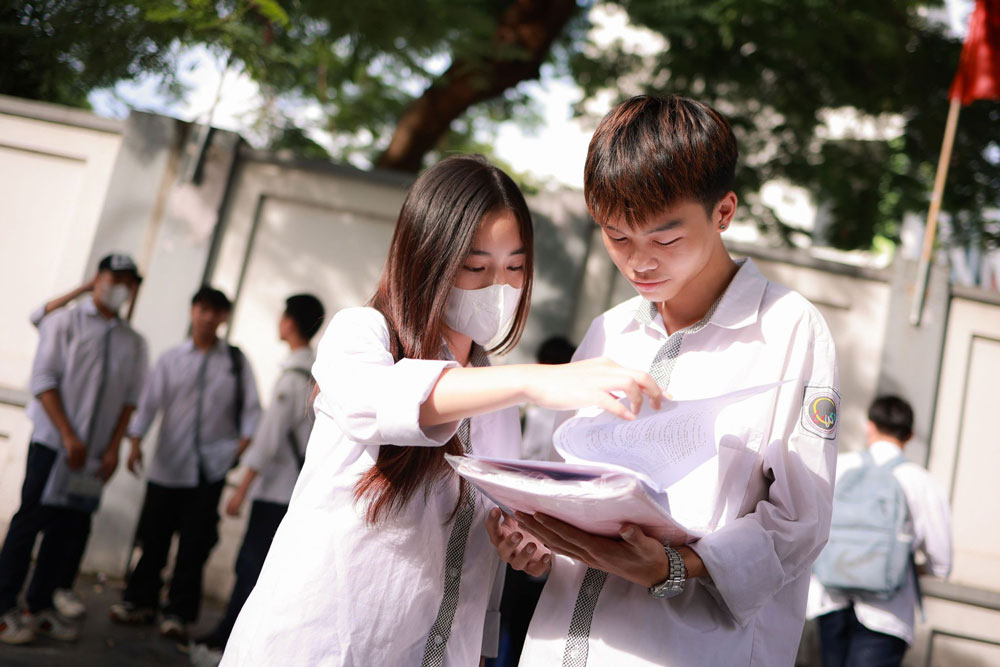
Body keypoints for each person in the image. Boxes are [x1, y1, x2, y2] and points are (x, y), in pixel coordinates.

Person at [221, 154, 663, 667]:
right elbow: (383, 402)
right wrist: (536, 380)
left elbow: (489, 542)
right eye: (477, 267)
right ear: (427, 259)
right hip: (326, 647)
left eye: (516, 267)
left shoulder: (493, 395)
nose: (500, 285)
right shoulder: (363, 336)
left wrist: (526, 549)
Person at [490, 95, 841, 666]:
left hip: (681, 649)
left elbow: (799, 522)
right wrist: (536, 541)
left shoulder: (788, 331)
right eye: (617, 237)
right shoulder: (609, 331)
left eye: (664, 238)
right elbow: (556, 481)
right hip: (558, 644)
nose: (639, 263)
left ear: (723, 212)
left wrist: (673, 568)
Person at [0, 254, 148, 645]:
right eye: (113, 278)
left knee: (67, 528)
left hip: (94, 456)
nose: (119, 288)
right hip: (54, 445)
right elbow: (44, 380)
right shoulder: (65, 321)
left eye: (127, 282)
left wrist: (113, 449)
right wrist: (68, 435)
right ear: (97, 279)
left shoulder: (132, 342)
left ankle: (40, 606)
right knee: (31, 519)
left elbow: (131, 400)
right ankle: (3, 607)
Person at [109, 287, 261, 639]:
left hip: (209, 472)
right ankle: (140, 602)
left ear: (224, 317)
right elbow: (148, 405)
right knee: (154, 539)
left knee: (195, 545)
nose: (208, 317)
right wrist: (134, 444)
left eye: (216, 311)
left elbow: (253, 414)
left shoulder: (235, 364)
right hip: (167, 466)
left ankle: (178, 613)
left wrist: (236, 452)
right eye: (203, 309)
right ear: (193, 311)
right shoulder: (171, 359)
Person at [189, 293, 325, 665]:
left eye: (283, 316)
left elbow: (267, 441)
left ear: (290, 323)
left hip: (274, 492)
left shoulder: (293, 377)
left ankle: (229, 642)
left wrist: (241, 490)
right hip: (290, 490)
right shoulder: (313, 370)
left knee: (250, 566)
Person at [807, 395, 952, 667]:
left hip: (829, 601)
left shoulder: (837, 466)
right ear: (910, 435)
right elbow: (941, 564)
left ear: (870, 426)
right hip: (887, 614)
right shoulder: (923, 483)